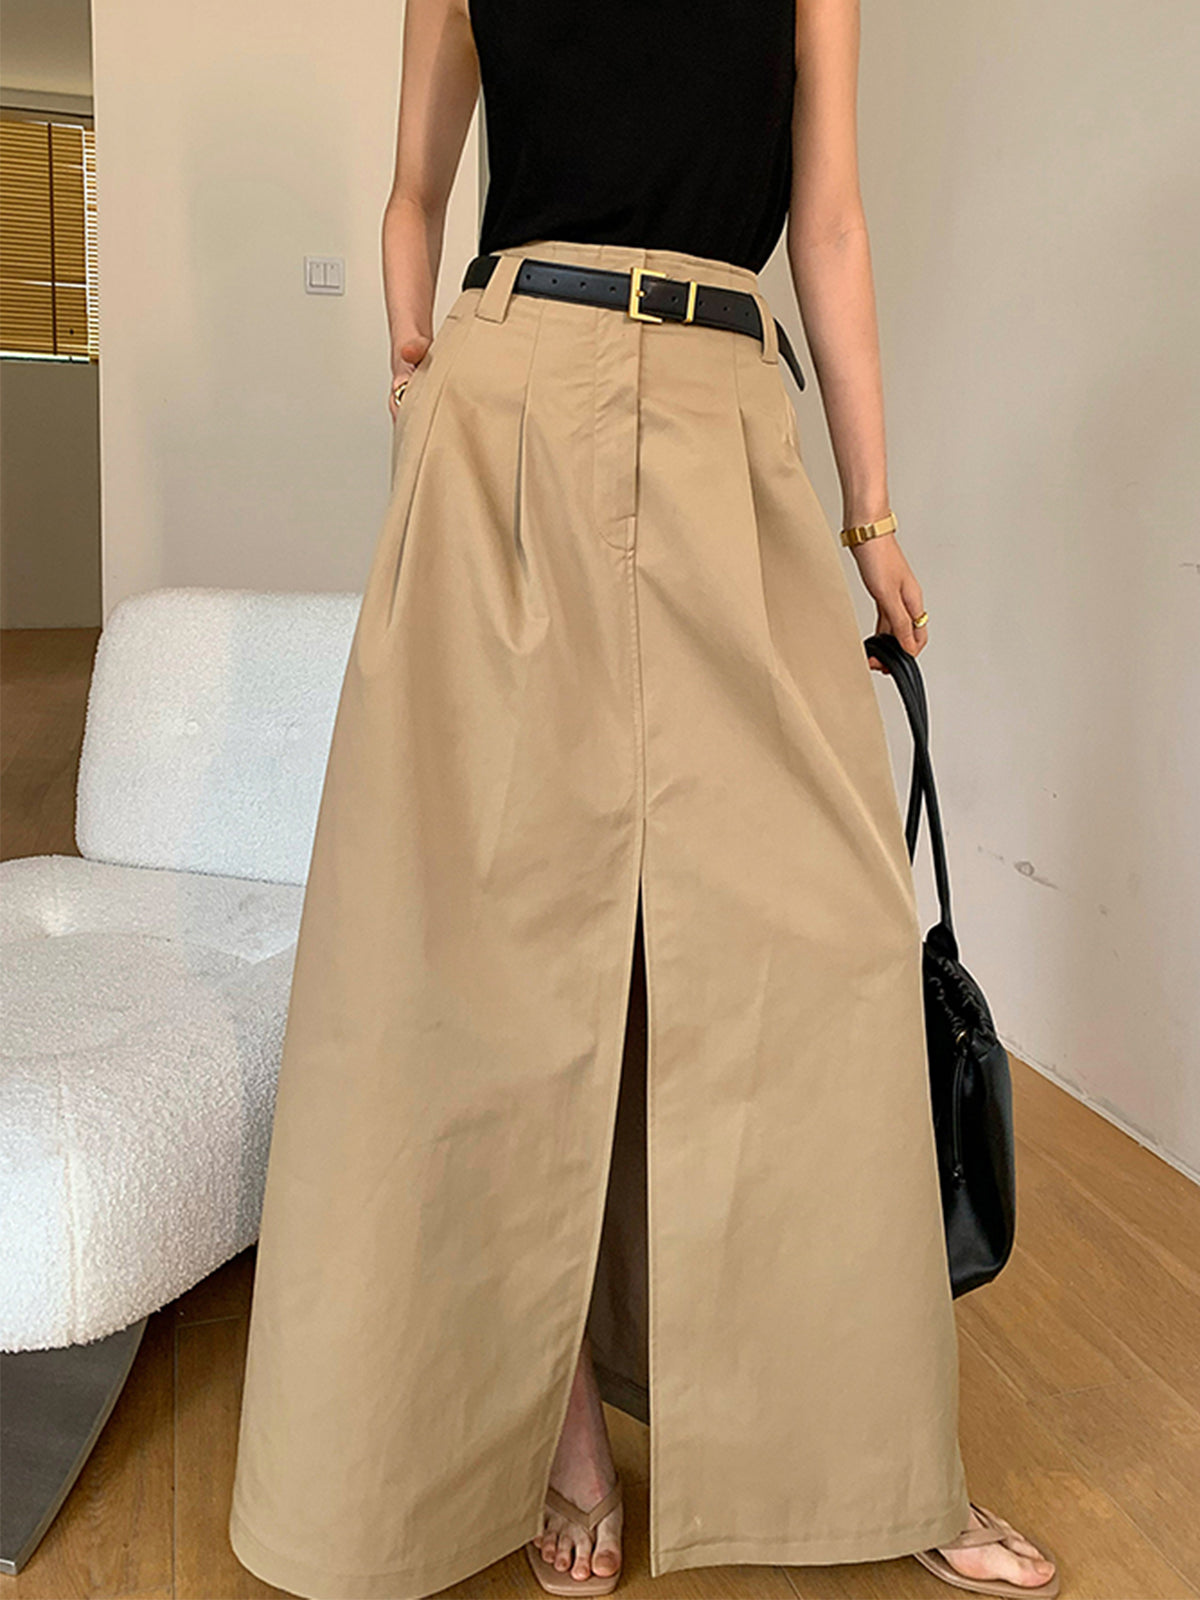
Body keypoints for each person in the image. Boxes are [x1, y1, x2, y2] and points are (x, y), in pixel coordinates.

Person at [227, 2, 1060, 1598]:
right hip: (506, 409)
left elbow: (828, 217)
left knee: (824, 942)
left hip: (726, 408)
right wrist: (413, 384)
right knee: (492, 946)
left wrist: (872, 512)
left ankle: (882, 1458)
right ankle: (565, 1438)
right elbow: (414, 188)